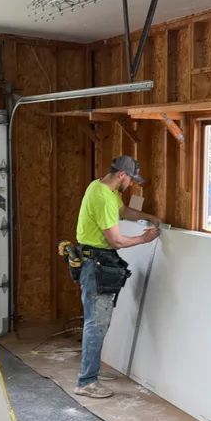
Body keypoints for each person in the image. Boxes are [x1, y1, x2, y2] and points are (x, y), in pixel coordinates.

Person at [73, 155, 160, 399]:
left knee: (100, 321)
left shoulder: (106, 189)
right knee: (96, 323)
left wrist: (150, 217)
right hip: (96, 263)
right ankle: (86, 382)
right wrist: (144, 238)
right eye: (131, 179)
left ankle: (92, 372)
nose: (131, 184)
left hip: (101, 261)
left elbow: (122, 211)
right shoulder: (101, 196)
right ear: (122, 174)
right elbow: (116, 240)